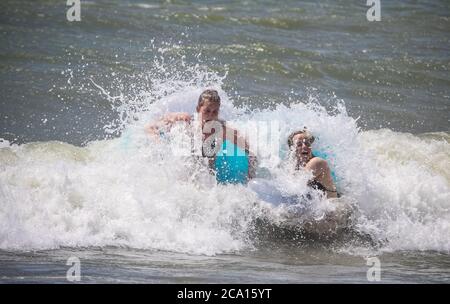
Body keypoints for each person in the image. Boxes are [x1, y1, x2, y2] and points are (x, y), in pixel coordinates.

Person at [145, 89, 257, 179]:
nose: (211, 115)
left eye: (215, 112)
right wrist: (158, 143)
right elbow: (150, 128)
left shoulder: (222, 129)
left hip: (207, 171)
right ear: (198, 109)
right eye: (207, 111)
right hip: (183, 164)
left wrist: (251, 175)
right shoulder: (186, 120)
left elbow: (248, 150)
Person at [287, 128, 338, 198]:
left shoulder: (317, 162)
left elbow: (295, 187)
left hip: (334, 207)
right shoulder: (294, 165)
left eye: (307, 143)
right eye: (299, 144)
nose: (304, 146)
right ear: (293, 149)